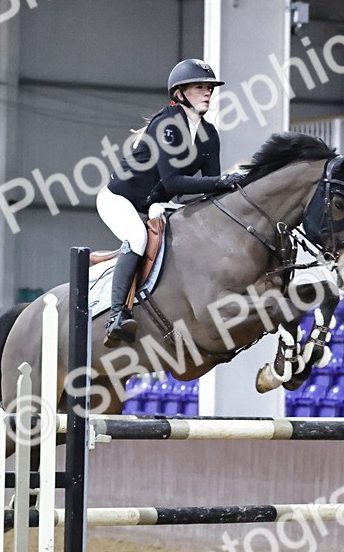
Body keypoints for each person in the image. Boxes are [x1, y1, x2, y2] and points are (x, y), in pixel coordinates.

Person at [96, 58, 243, 347]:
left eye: (209, 88)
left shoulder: (209, 135)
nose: (207, 93)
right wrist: (224, 181)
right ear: (180, 93)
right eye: (199, 87)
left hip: (155, 203)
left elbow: (210, 188)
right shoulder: (167, 125)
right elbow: (175, 182)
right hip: (119, 200)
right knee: (137, 237)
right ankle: (116, 316)